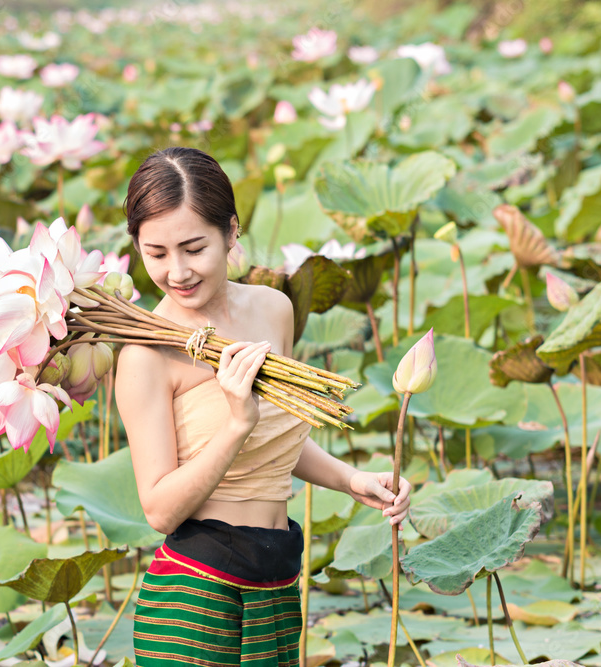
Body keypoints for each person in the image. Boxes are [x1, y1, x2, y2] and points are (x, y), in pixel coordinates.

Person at [114, 146, 411, 666]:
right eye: (156, 254)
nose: (177, 272)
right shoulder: (145, 357)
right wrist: (234, 424)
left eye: (193, 248)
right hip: (194, 595)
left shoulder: (274, 310)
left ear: (232, 233)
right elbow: (160, 509)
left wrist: (351, 479)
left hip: (276, 583)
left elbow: (277, 440)